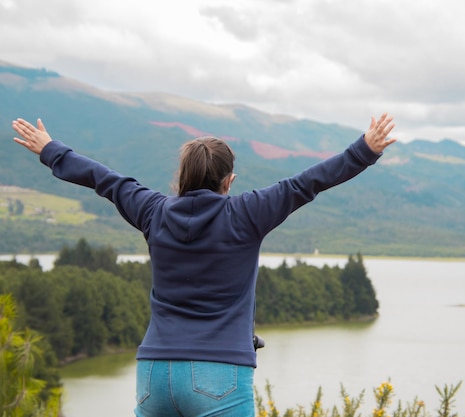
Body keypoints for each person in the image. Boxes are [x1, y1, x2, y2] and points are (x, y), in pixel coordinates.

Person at [11, 113, 397, 417]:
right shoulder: (248, 213)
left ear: (181, 178)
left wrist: (51, 150)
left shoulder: (152, 211)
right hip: (220, 372)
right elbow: (305, 183)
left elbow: (106, 180)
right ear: (229, 181)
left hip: (155, 373)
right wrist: (365, 150)